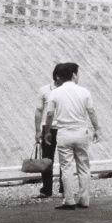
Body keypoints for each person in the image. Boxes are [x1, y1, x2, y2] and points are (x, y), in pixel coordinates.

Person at [44, 62, 101, 210]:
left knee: (66, 167)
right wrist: (97, 129)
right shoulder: (84, 92)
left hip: (64, 132)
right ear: (74, 74)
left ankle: (69, 200)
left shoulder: (55, 93)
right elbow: (92, 111)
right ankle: (84, 199)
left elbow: (49, 114)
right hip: (81, 132)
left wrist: (48, 131)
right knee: (83, 166)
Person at [32, 66, 63, 198]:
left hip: (63, 127)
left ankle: (64, 188)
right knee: (46, 160)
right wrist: (38, 130)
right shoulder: (44, 90)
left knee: (65, 160)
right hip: (48, 128)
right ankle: (47, 189)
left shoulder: (68, 90)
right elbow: (39, 110)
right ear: (57, 77)